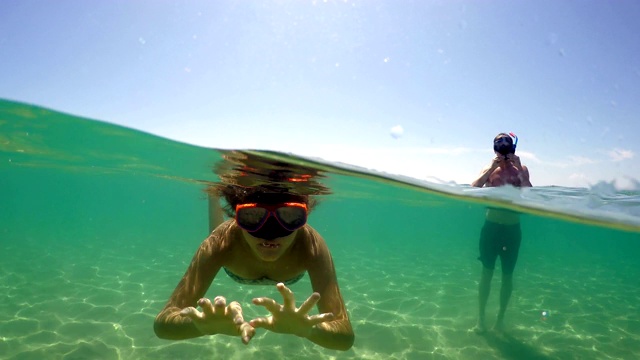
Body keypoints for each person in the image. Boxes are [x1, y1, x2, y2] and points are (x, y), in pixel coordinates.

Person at [154, 151, 354, 351]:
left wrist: (309, 330)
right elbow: (163, 324)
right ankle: (213, 197)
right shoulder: (220, 243)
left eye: (288, 217)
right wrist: (200, 326)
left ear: (303, 216)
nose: (269, 233)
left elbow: (344, 336)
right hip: (231, 247)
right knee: (217, 234)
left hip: (236, 255)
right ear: (237, 216)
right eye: (252, 217)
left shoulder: (311, 246)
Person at [471, 133, 532, 333]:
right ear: (495, 148)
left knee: (507, 276)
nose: (503, 146)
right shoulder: (489, 170)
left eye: (506, 142)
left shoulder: (521, 170)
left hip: (512, 230)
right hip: (491, 229)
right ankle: (480, 319)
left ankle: (500, 320)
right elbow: (473, 188)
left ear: (512, 147)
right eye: (499, 143)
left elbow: (530, 194)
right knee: (486, 274)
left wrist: (519, 168)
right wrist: (490, 167)